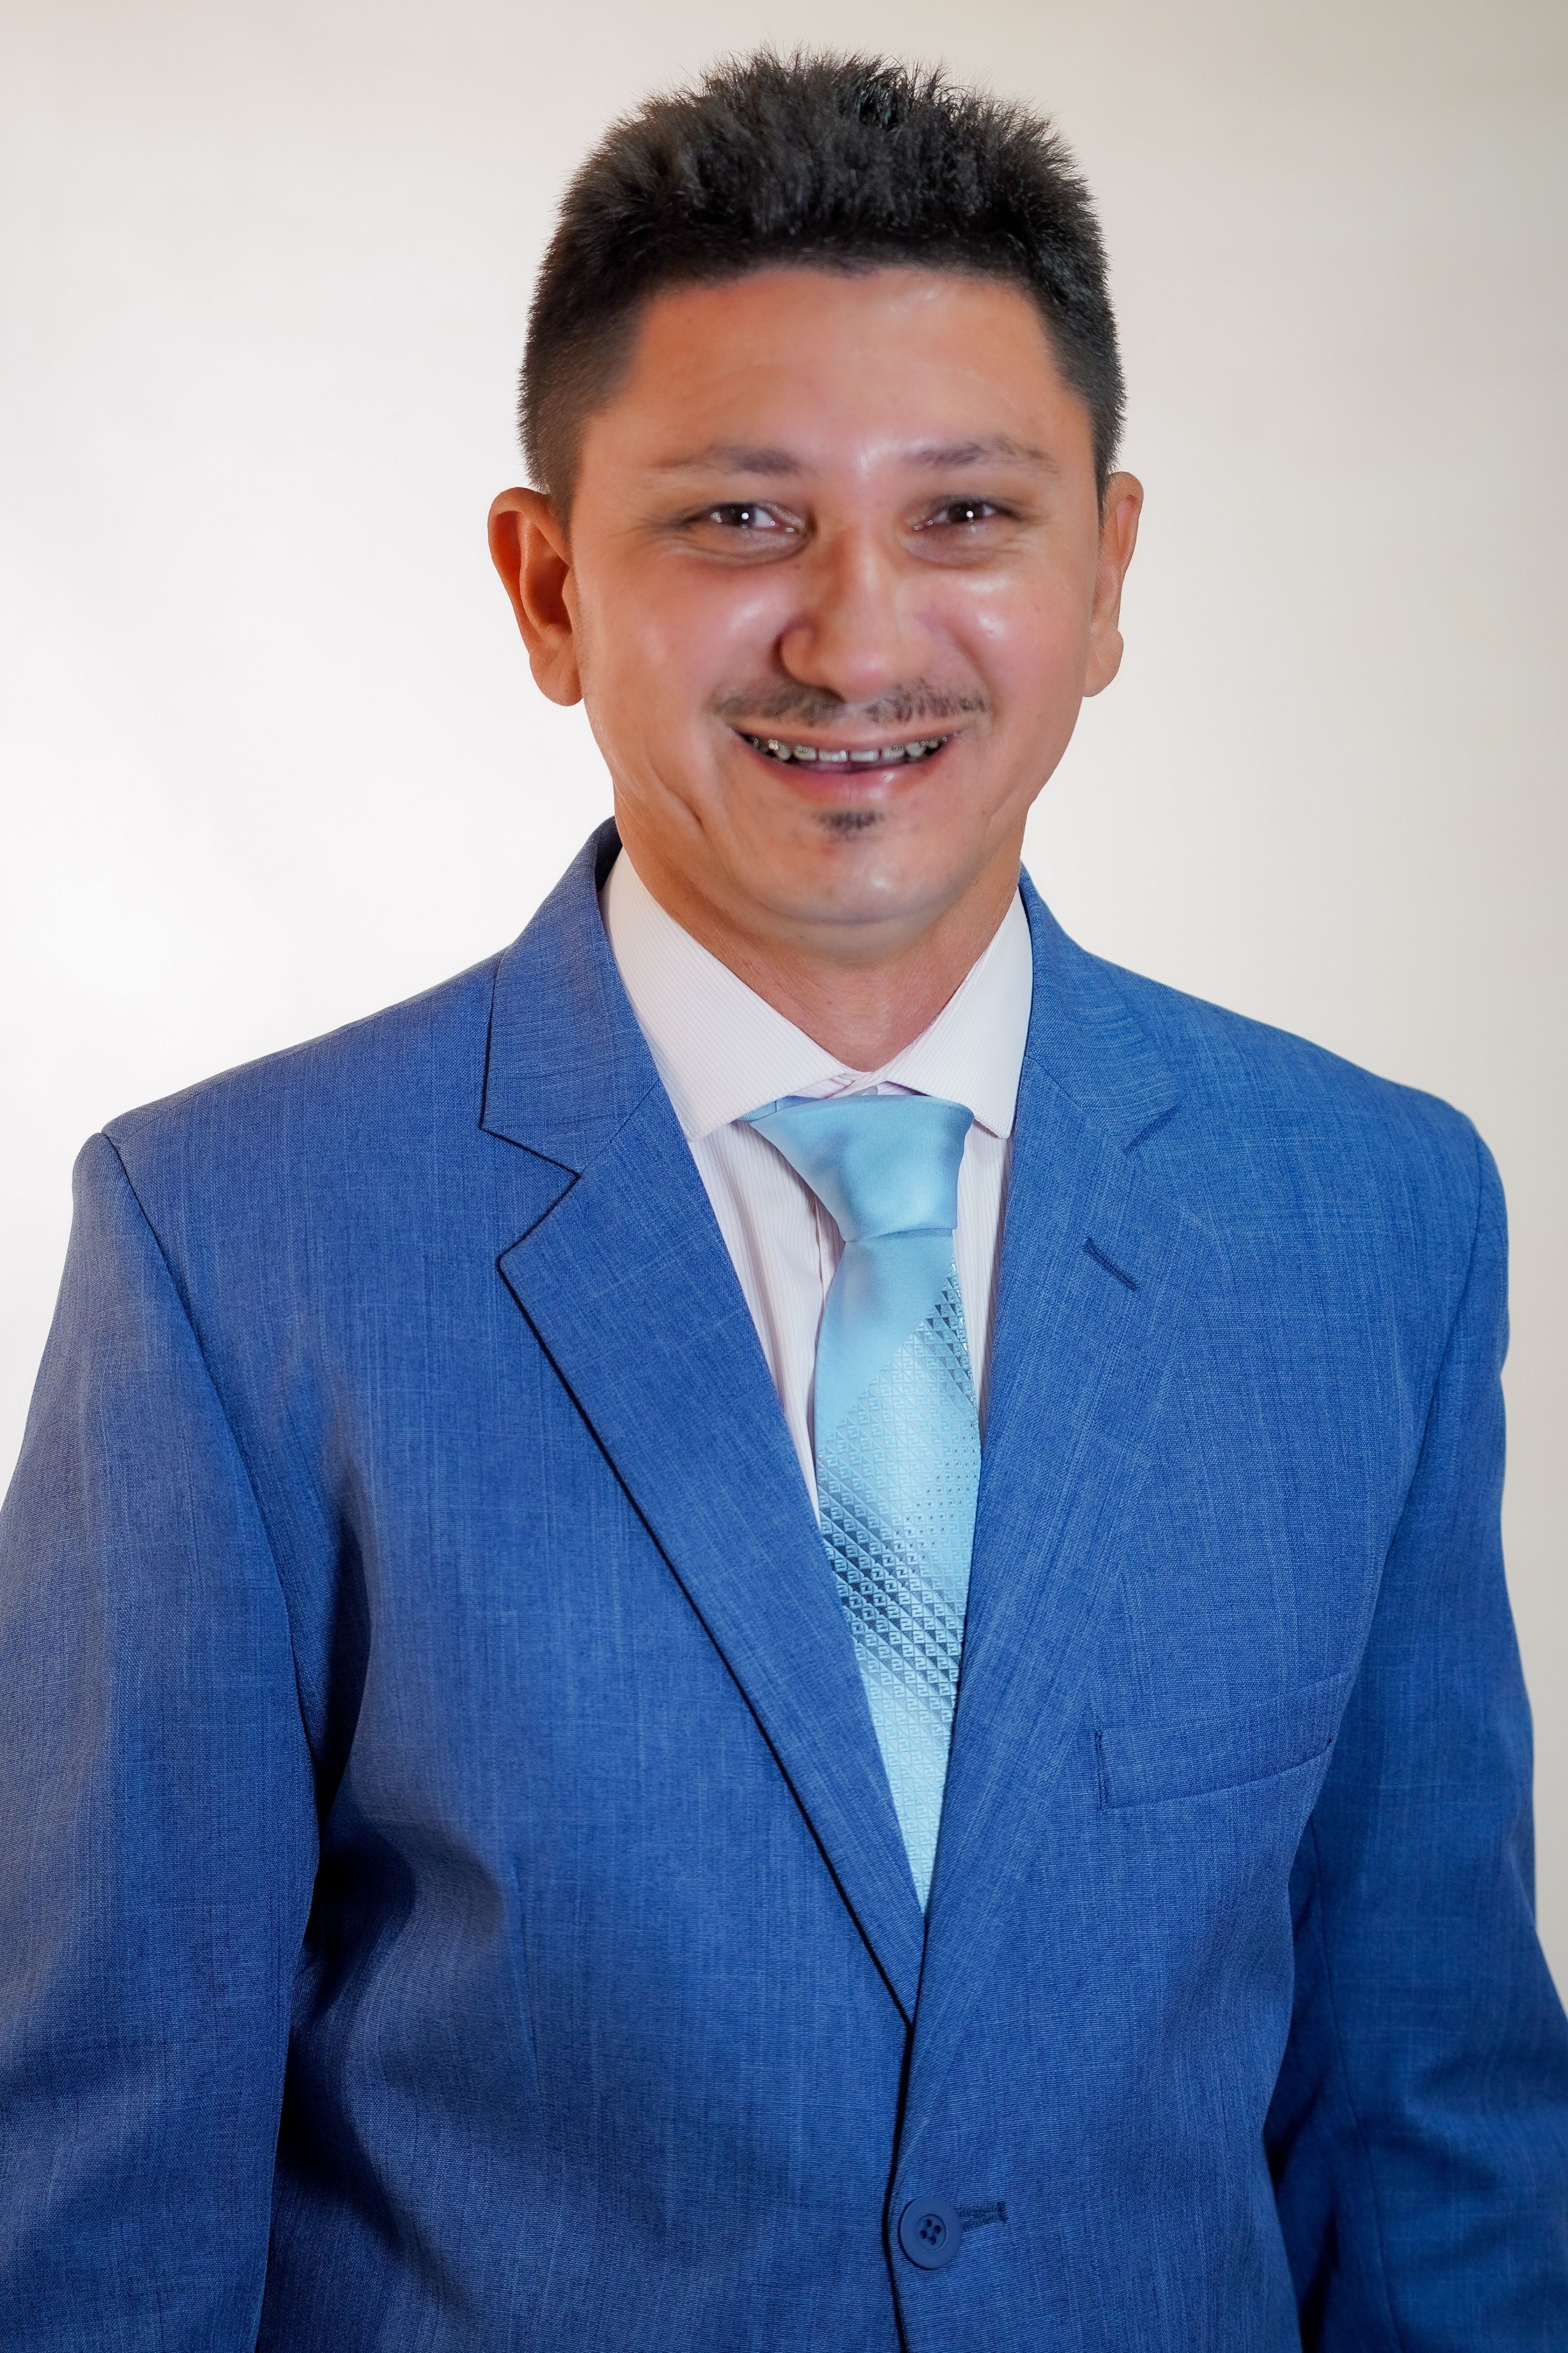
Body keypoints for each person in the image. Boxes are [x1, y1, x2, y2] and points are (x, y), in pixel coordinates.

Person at [1, 47, 1564, 2352]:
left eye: (968, 516)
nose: (857, 637)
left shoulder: (1372, 1221)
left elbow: (1435, 2126)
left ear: (1108, 573)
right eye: (740, 520)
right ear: (549, 586)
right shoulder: (232, 1246)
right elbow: (103, 2196)